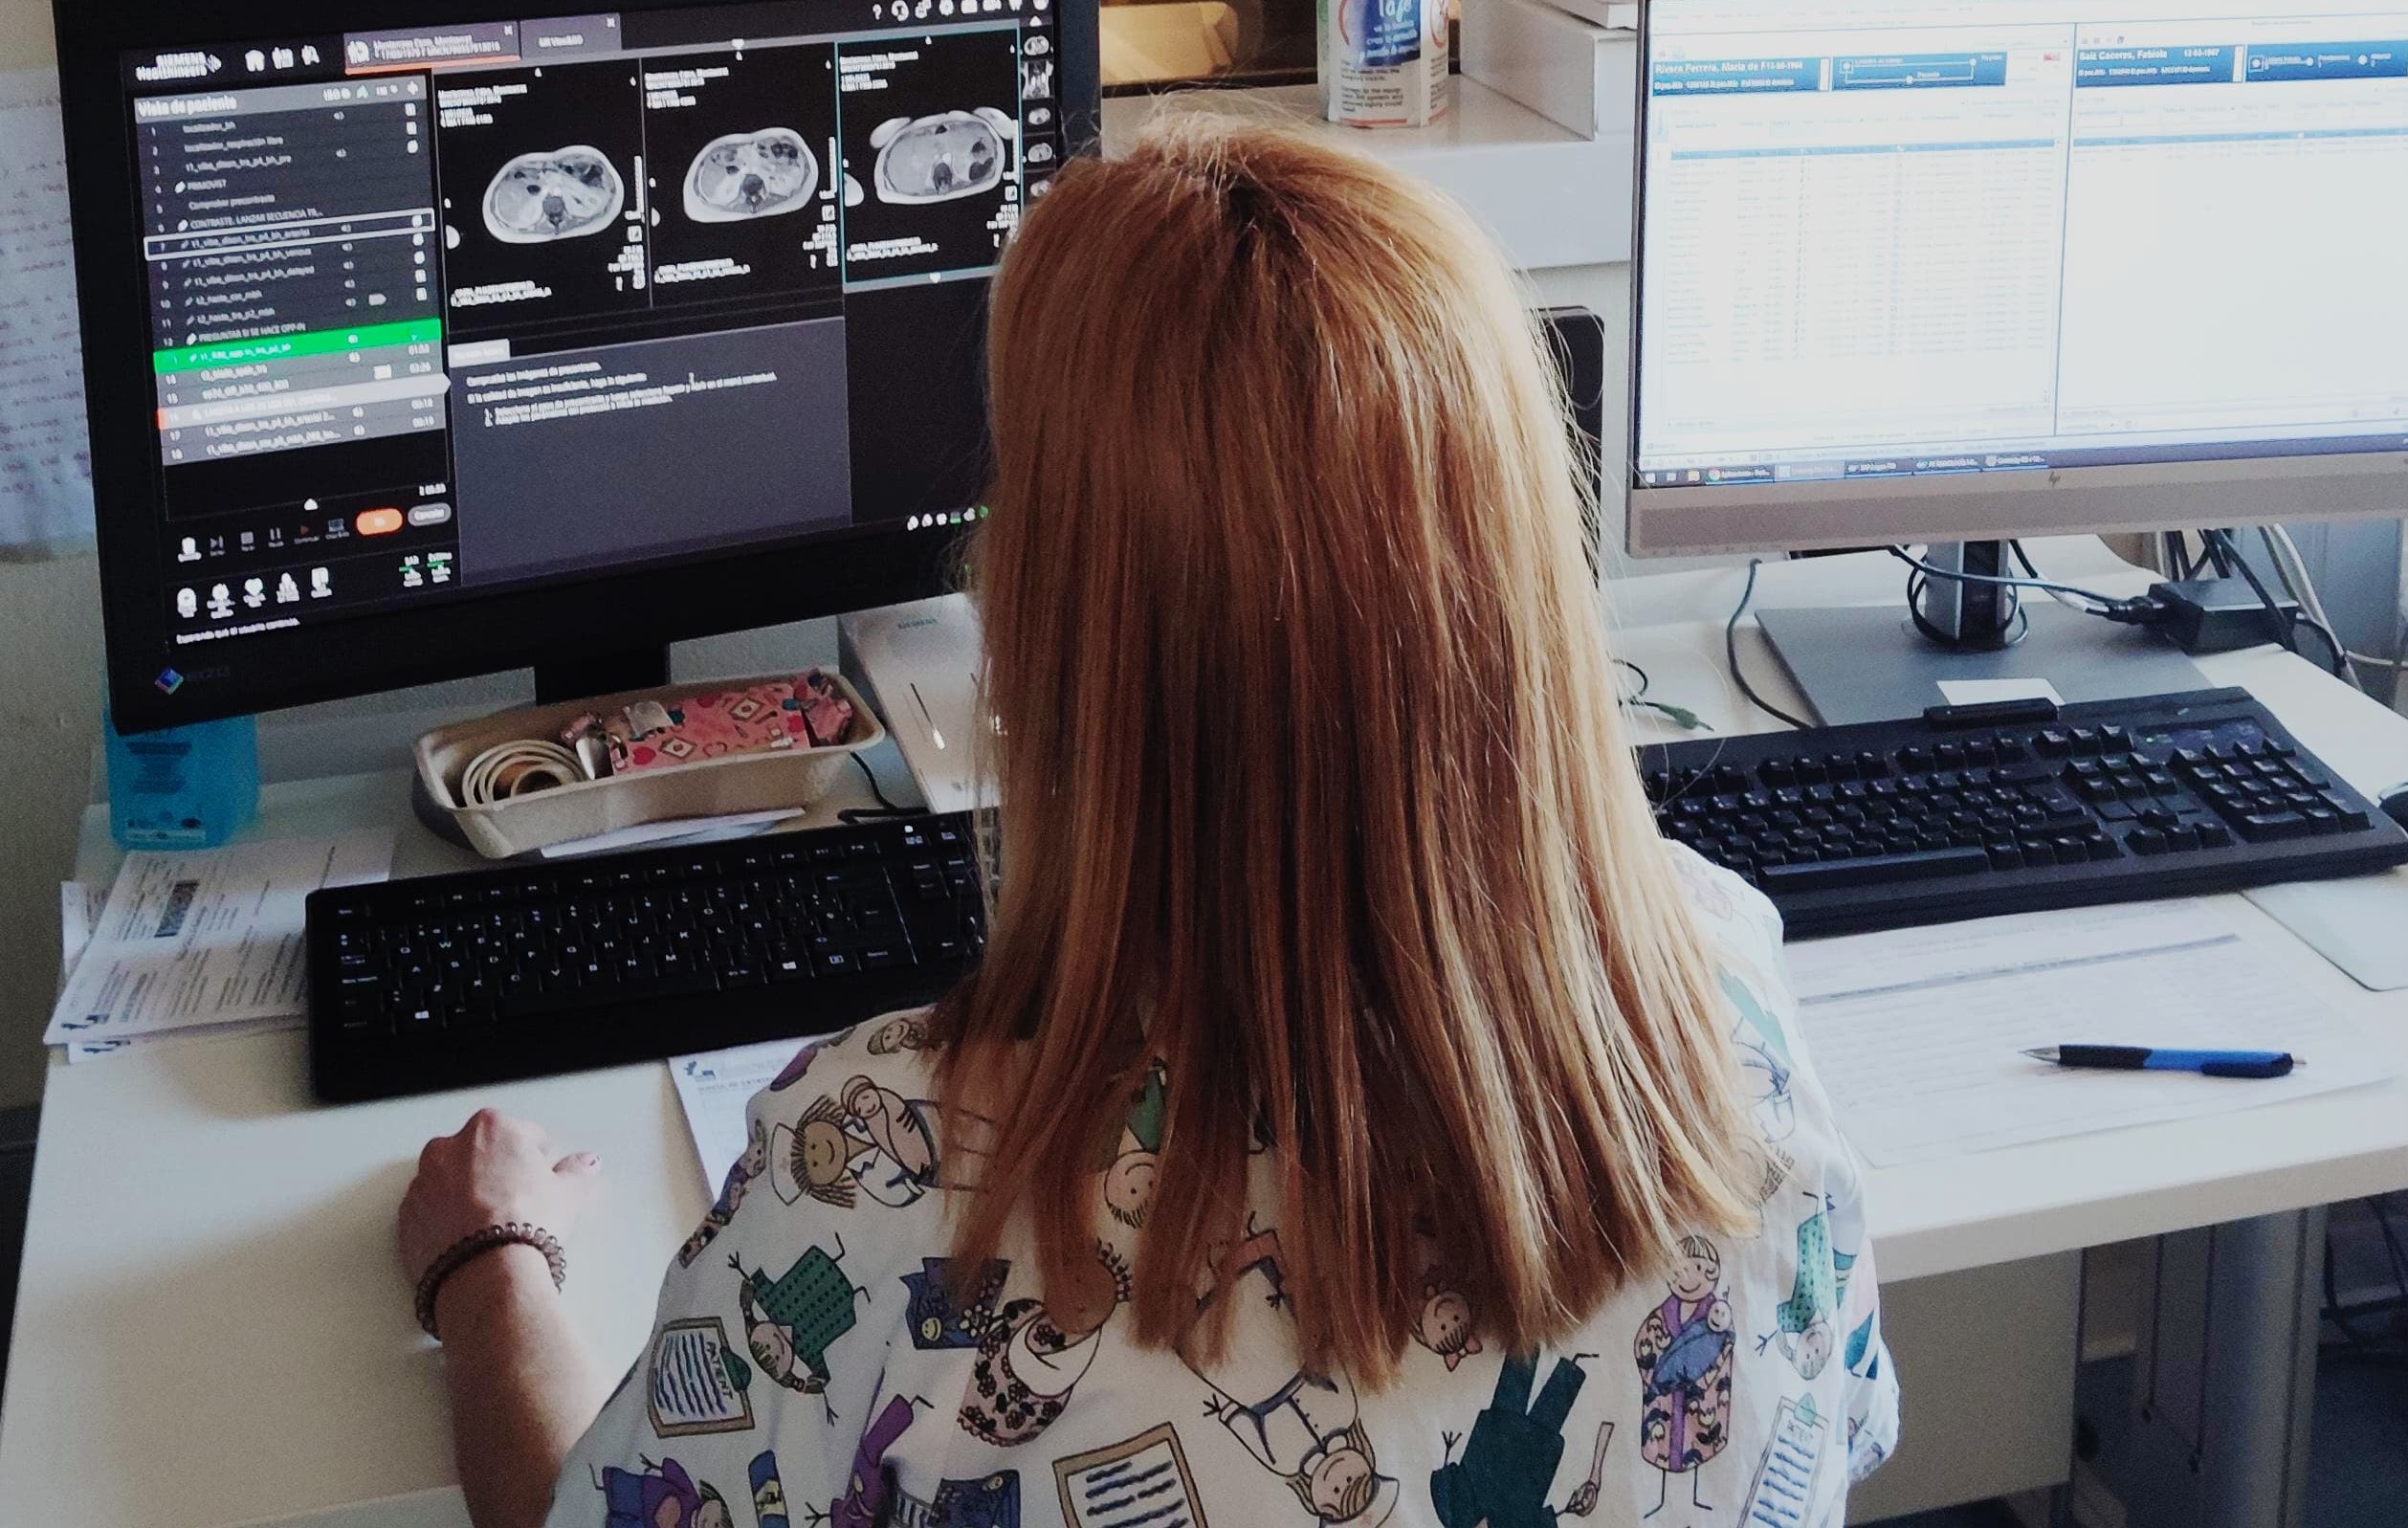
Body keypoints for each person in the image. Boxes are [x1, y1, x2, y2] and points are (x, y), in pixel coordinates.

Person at [399, 118, 1900, 1528]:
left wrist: (487, 1270)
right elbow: (1842, 1431)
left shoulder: (884, 1178)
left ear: (1046, 622)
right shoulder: (1728, 1018)